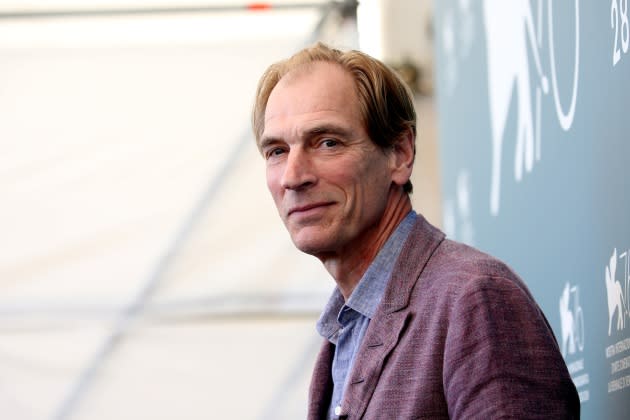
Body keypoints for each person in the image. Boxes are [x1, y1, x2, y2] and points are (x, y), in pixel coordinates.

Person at [252, 42, 580, 419]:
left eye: (327, 142)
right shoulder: (345, 328)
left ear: (400, 154)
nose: (294, 176)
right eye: (276, 151)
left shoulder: (475, 297)